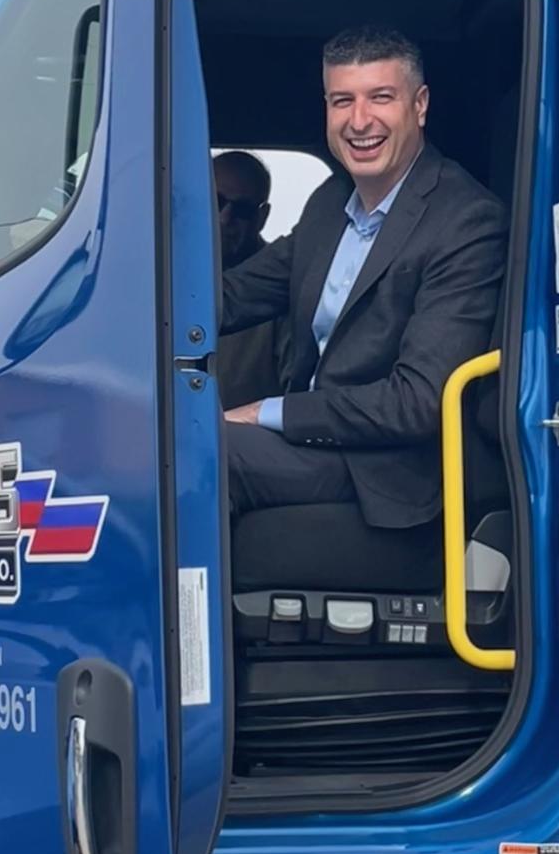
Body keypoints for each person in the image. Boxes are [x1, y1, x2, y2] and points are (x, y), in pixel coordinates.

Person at [220, 26, 507, 529]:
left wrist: (267, 411)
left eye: (380, 98)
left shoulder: (465, 219)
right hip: (315, 444)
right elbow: (233, 296)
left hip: (390, 472)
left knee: (198, 456)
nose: (359, 121)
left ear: (420, 105)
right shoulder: (330, 204)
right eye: (342, 101)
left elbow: (416, 403)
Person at [213, 151, 284, 410]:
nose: (224, 218)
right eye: (216, 201)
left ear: (262, 217)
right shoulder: (159, 271)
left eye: (242, 210)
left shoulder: (284, 288)